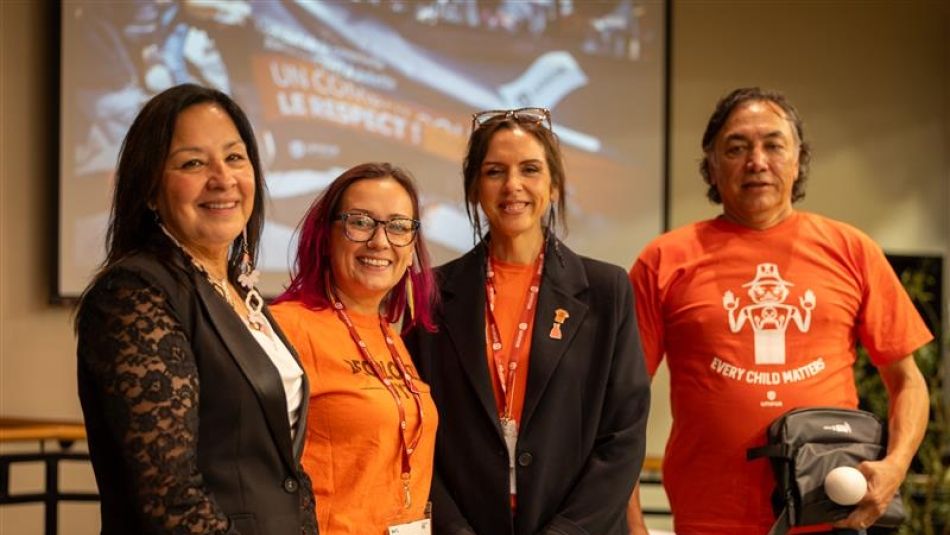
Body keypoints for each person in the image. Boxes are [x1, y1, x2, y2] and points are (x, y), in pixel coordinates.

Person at [626, 87, 931, 535]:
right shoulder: (664, 260)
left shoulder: (852, 250)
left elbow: (908, 381)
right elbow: (620, 402)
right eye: (736, 148)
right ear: (711, 164)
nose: (757, 161)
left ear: (798, 159)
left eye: (773, 145)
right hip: (709, 516)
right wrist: (632, 523)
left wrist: (896, 466)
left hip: (830, 513)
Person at [75, 83, 317, 535]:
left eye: (235, 157)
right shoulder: (133, 294)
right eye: (193, 163)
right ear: (150, 189)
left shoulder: (237, 292)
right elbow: (171, 498)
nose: (222, 179)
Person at [404, 107, 651, 535]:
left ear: (553, 186)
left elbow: (623, 435)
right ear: (475, 188)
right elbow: (416, 430)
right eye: (495, 171)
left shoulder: (607, 291)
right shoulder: (432, 293)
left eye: (530, 169)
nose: (512, 185)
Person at [270, 162, 439, 535]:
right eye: (360, 222)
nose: (380, 241)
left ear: (412, 247)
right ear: (326, 236)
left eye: (399, 226)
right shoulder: (285, 328)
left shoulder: (390, 336)